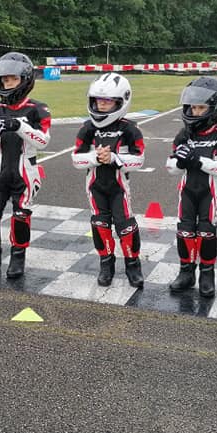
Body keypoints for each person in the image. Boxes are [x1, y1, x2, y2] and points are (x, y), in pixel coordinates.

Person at [0, 52, 51, 279]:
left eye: (13, 79)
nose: (8, 83)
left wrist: (18, 126)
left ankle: (18, 258)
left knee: (20, 216)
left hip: (25, 172)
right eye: (4, 79)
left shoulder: (38, 109)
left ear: (25, 80)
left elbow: (43, 141)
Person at [166, 77, 217, 298]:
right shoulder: (184, 134)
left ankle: (207, 275)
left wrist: (198, 161)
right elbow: (170, 167)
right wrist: (180, 161)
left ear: (216, 109)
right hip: (187, 192)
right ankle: (186, 272)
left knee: (207, 232)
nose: (195, 112)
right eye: (192, 107)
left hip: (211, 192)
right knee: (185, 231)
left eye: (201, 108)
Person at [71, 73, 146, 287]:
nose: (101, 105)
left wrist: (114, 158)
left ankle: (133, 265)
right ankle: (106, 264)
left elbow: (139, 160)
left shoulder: (130, 128)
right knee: (99, 223)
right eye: (98, 100)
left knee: (125, 225)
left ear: (121, 102)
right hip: (95, 187)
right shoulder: (87, 128)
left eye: (107, 101)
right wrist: (94, 157)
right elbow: (76, 158)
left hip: (119, 188)